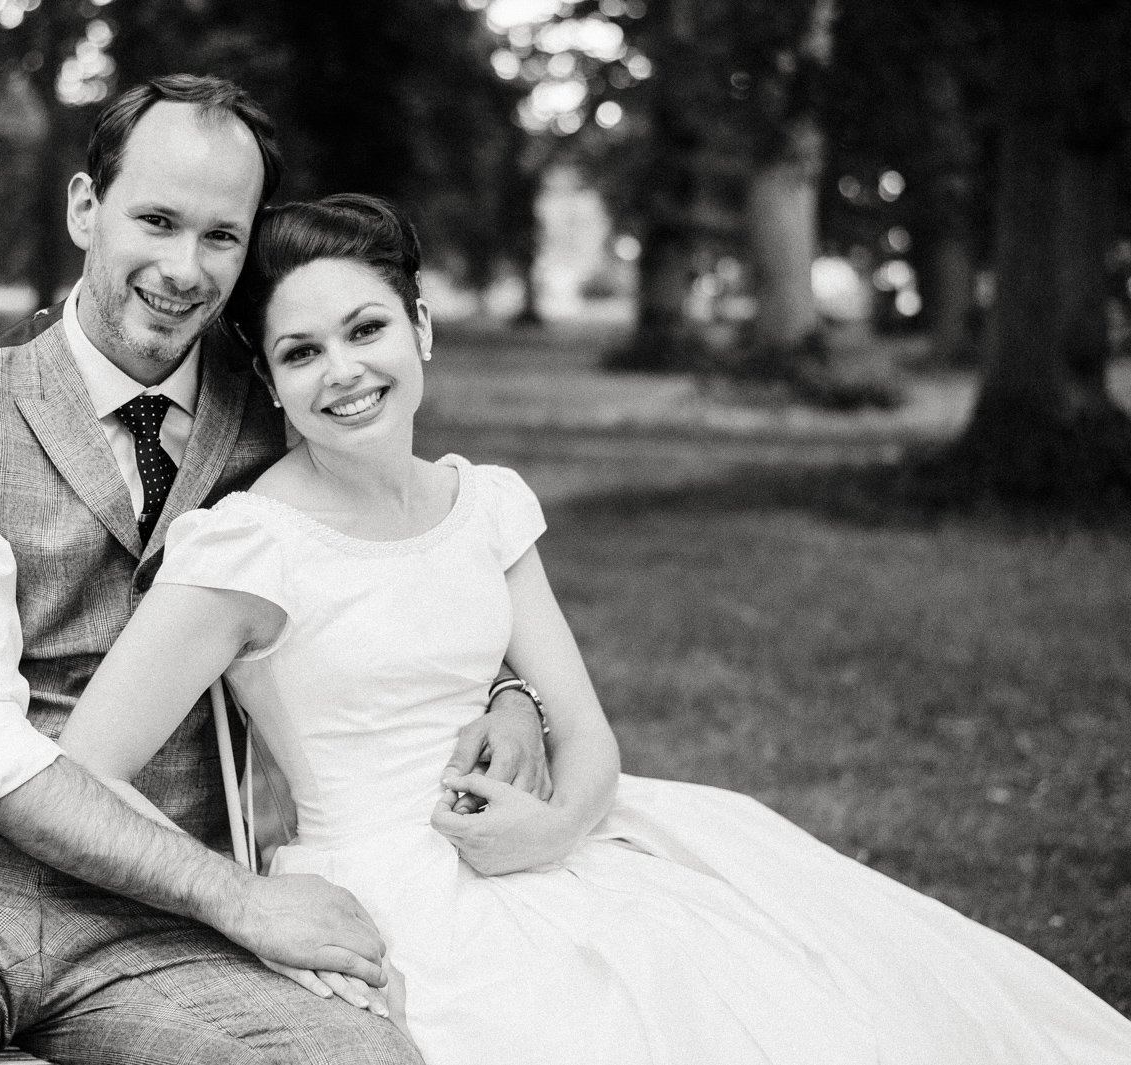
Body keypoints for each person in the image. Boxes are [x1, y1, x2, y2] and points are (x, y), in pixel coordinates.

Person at [55, 192, 1131, 1065]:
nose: (344, 371)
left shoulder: (484, 505)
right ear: (276, 388)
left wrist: (559, 826)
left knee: (807, 990)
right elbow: (85, 768)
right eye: (300, 353)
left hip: (553, 840)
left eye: (367, 328)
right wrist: (242, 903)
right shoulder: (250, 547)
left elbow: (589, 730)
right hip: (387, 889)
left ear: (420, 329)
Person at [0, 77, 551, 1065]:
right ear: (86, 209)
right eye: (154, 220)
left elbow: (402, 547)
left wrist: (507, 690)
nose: (181, 268)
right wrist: (242, 900)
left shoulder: (286, 406)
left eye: (220, 236)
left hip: (161, 929)